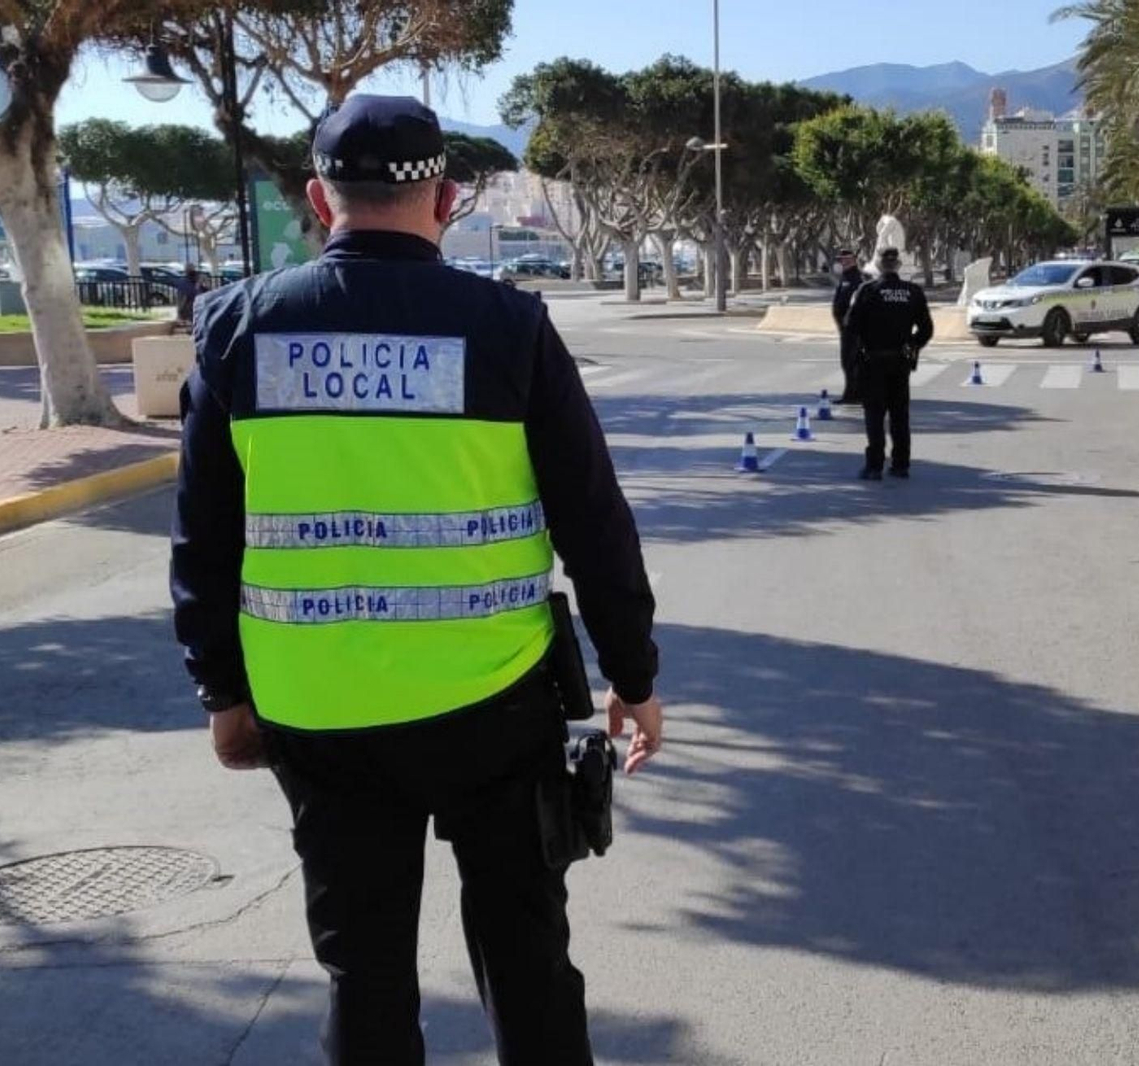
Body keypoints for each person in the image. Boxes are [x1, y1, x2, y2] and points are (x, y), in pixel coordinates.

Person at [170, 94, 663, 1066]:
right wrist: (633, 676)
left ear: (320, 200)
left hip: (318, 711)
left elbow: (203, 541)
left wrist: (222, 693)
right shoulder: (508, 327)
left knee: (366, 972)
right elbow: (594, 521)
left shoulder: (238, 330)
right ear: (445, 200)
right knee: (527, 956)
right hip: (495, 706)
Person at [842, 247, 933, 480]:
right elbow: (926, 329)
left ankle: (874, 466)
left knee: (874, 415)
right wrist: (912, 345)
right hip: (900, 362)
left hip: (872, 361)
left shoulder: (867, 290)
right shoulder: (912, 292)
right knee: (899, 415)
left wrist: (856, 353)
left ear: (879, 265)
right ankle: (901, 464)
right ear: (898, 265)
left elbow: (850, 325)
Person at [831, 248, 866, 403]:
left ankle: (853, 395)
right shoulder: (845, 277)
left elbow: (857, 303)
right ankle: (853, 393)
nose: (843, 262)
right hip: (845, 328)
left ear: (853, 260)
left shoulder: (857, 278)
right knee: (848, 362)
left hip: (853, 328)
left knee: (851, 361)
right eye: (841, 259)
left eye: (846, 259)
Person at [172, 263, 207, 332]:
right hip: (194, 306)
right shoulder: (195, 281)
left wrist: (179, 312)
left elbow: (182, 299)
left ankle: (190, 326)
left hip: (192, 306)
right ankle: (191, 326)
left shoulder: (184, 282)